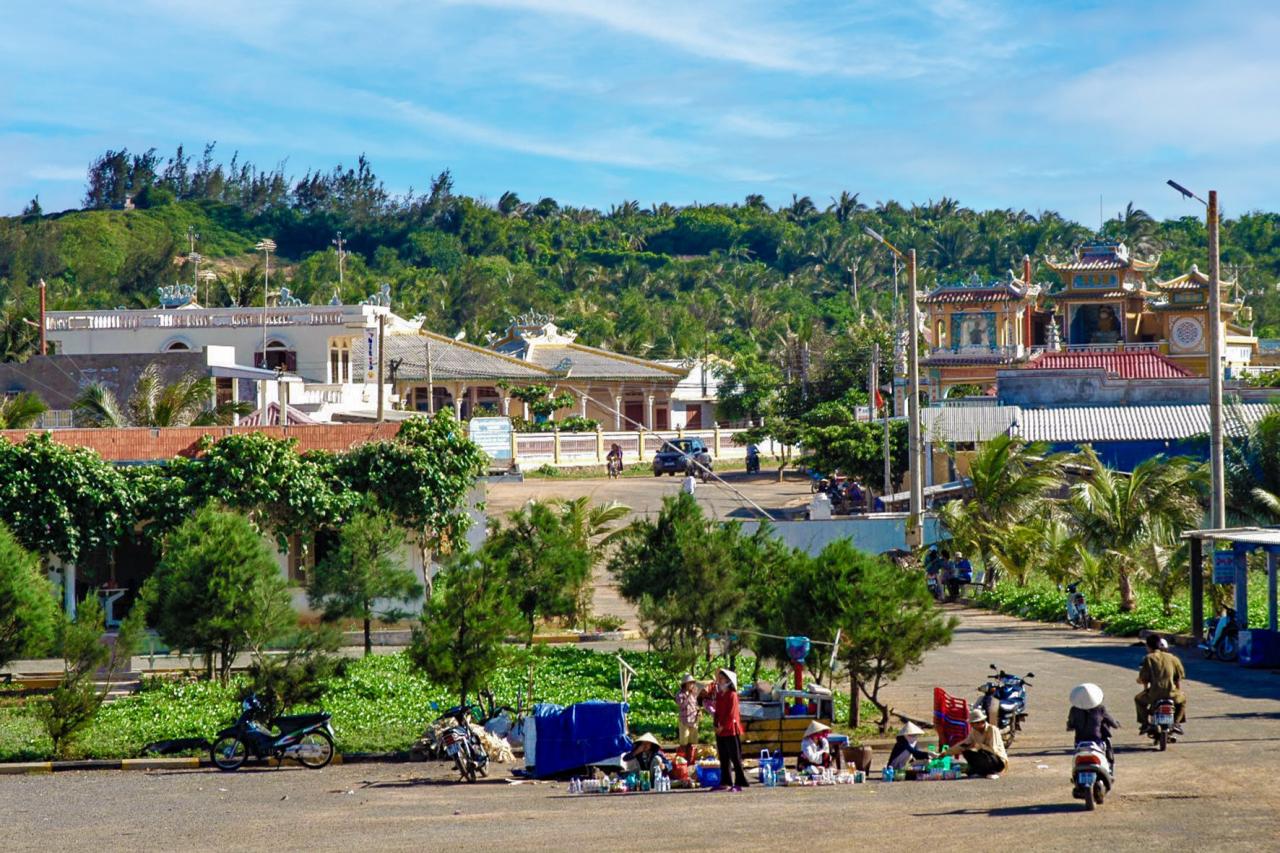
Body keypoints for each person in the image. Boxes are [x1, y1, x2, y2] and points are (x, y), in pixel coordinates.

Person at [701, 668, 749, 791]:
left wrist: (722, 726)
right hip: (721, 730)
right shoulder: (719, 695)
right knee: (723, 757)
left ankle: (740, 782)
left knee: (735, 757)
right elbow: (717, 711)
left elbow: (731, 714)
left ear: (728, 681)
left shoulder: (732, 695)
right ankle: (725, 781)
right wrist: (716, 725)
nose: (719, 681)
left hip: (730, 729)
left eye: (721, 679)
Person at [1135, 634, 1187, 734]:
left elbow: (1144, 678)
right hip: (1172, 694)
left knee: (1138, 699)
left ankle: (1145, 724)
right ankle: (1176, 723)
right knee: (1183, 700)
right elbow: (1179, 676)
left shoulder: (1148, 658)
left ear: (1148, 646)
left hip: (1153, 695)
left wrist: (1142, 683)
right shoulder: (1173, 658)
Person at [944, 707, 1007, 779]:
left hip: (997, 760)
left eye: (974, 723)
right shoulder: (974, 731)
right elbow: (962, 745)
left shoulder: (992, 730)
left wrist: (978, 746)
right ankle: (981, 771)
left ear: (981, 722)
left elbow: (993, 750)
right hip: (985, 756)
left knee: (983, 752)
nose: (972, 726)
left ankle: (992, 771)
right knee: (966, 750)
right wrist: (945, 753)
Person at [1068, 682, 1120, 769]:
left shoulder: (1074, 710)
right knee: (1108, 747)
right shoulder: (1100, 709)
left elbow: (1070, 724)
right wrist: (1116, 724)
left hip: (1079, 742)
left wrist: (1070, 726)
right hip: (1097, 741)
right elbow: (1111, 721)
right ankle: (1110, 765)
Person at [675, 674, 701, 764]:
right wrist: (687, 696)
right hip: (684, 720)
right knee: (684, 741)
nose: (692, 685)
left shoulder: (694, 693)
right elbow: (681, 705)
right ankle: (682, 760)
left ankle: (691, 760)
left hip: (693, 720)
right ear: (685, 684)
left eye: (692, 683)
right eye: (690, 683)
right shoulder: (680, 694)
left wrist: (698, 711)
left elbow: (695, 704)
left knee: (693, 741)